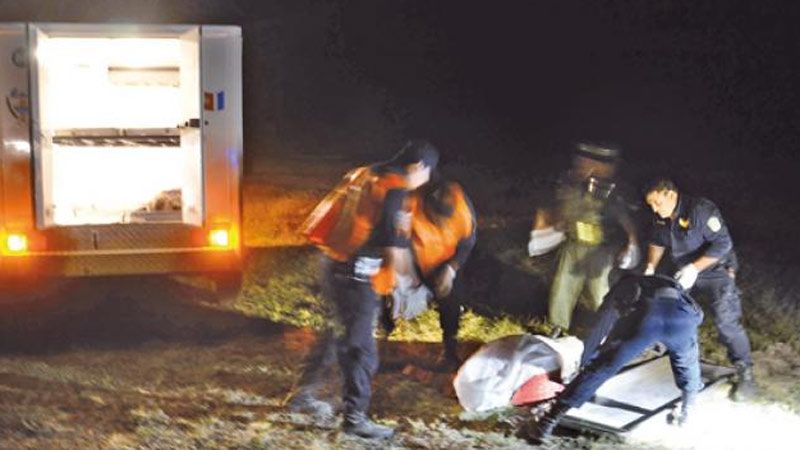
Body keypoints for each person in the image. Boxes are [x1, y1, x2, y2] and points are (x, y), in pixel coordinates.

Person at [287, 139, 439, 439]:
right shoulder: (395, 189)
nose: (427, 179)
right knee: (362, 349)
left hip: (332, 264)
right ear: (419, 166)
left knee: (337, 331)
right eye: (429, 172)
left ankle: (302, 395)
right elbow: (394, 246)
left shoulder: (365, 174)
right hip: (355, 274)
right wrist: (408, 286)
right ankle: (355, 419)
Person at [523, 274, 704, 443]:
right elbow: (698, 316)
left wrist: (586, 363)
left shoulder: (627, 283)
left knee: (603, 367)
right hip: (684, 320)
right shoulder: (681, 295)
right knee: (687, 364)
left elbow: (601, 326)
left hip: (649, 319)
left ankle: (547, 423)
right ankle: (687, 410)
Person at [643, 178, 757, 401]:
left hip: (715, 269)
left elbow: (723, 244)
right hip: (683, 270)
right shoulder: (661, 216)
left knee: (725, 321)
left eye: (657, 203)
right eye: (651, 205)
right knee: (666, 309)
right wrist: (650, 267)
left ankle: (746, 373)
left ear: (670, 195)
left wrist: (694, 268)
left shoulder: (700, 210)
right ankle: (668, 353)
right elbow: (657, 242)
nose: (654, 209)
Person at [541, 142, 639, 336]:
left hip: (600, 248)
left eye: (587, 160)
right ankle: (558, 326)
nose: (581, 163)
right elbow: (560, 207)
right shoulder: (571, 183)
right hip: (573, 243)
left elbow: (624, 217)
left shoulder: (611, 189)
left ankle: (606, 329)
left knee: (599, 291)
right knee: (563, 286)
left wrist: (632, 241)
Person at [382, 176, 477, 369]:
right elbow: (396, 242)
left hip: (444, 261)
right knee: (386, 291)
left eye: (446, 218)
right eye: (437, 217)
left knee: (451, 301)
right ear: (427, 206)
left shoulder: (462, 207)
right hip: (413, 258)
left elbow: (468, 243)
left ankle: (449, 351)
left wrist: (451, 269)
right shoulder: (409, 203)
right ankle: (384, 335)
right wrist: (406, 279)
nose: (442, 223)